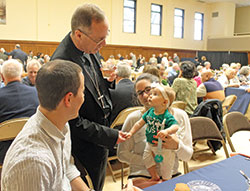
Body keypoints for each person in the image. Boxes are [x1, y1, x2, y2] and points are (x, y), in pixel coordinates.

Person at [50, 4, 126, 190]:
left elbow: (92, 86)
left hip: (98, 138)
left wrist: (106, 82)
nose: (105, 44)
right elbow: (70, 121)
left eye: (106, 36)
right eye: (100, 39)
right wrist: (108, 135)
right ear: (79, 34)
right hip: (82, 146)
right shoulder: (62, 64)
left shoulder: (89, 47)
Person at [1, 60, 90, 191]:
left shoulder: (61, 124)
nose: (84, 96)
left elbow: (67, 169)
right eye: (82, 91)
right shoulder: (33, 163)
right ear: (68, 99)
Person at [117, 73, 193, 188]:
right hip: (141, 174)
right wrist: (149, 161)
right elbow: (122, 154)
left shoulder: (180, 116)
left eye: (149, 90)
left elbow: (187, 156)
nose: (146, 95)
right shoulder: (133, 119)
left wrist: (177, 145)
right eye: (140, 93)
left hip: (171, 174)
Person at [126, 84, 179, 181]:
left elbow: (175, 126)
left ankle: (166, 180)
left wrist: (167, 131)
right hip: (150, 143)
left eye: (155, 94)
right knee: (146, 158)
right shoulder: (150, 112)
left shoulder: (167, 115)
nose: (150, 96)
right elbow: (139, 123)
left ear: (164, 102)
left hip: (163, 147)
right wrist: (131, 133)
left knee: (166, 165)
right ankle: (154, 176)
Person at [0, 59, 39, 164]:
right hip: (33, 149)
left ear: (2, 77)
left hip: (4, 155)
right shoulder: (37, 93)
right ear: (22, 75)